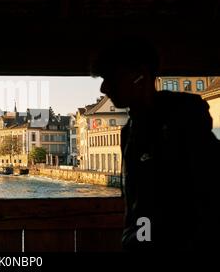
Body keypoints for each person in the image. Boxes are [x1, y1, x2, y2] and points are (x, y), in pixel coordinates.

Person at [90, 37, 220, 251]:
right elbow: (140, 207)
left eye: (111, 77)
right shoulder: (130, 130)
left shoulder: (184, 121)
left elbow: (206, 198)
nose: (104, 87)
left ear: (139, 75)